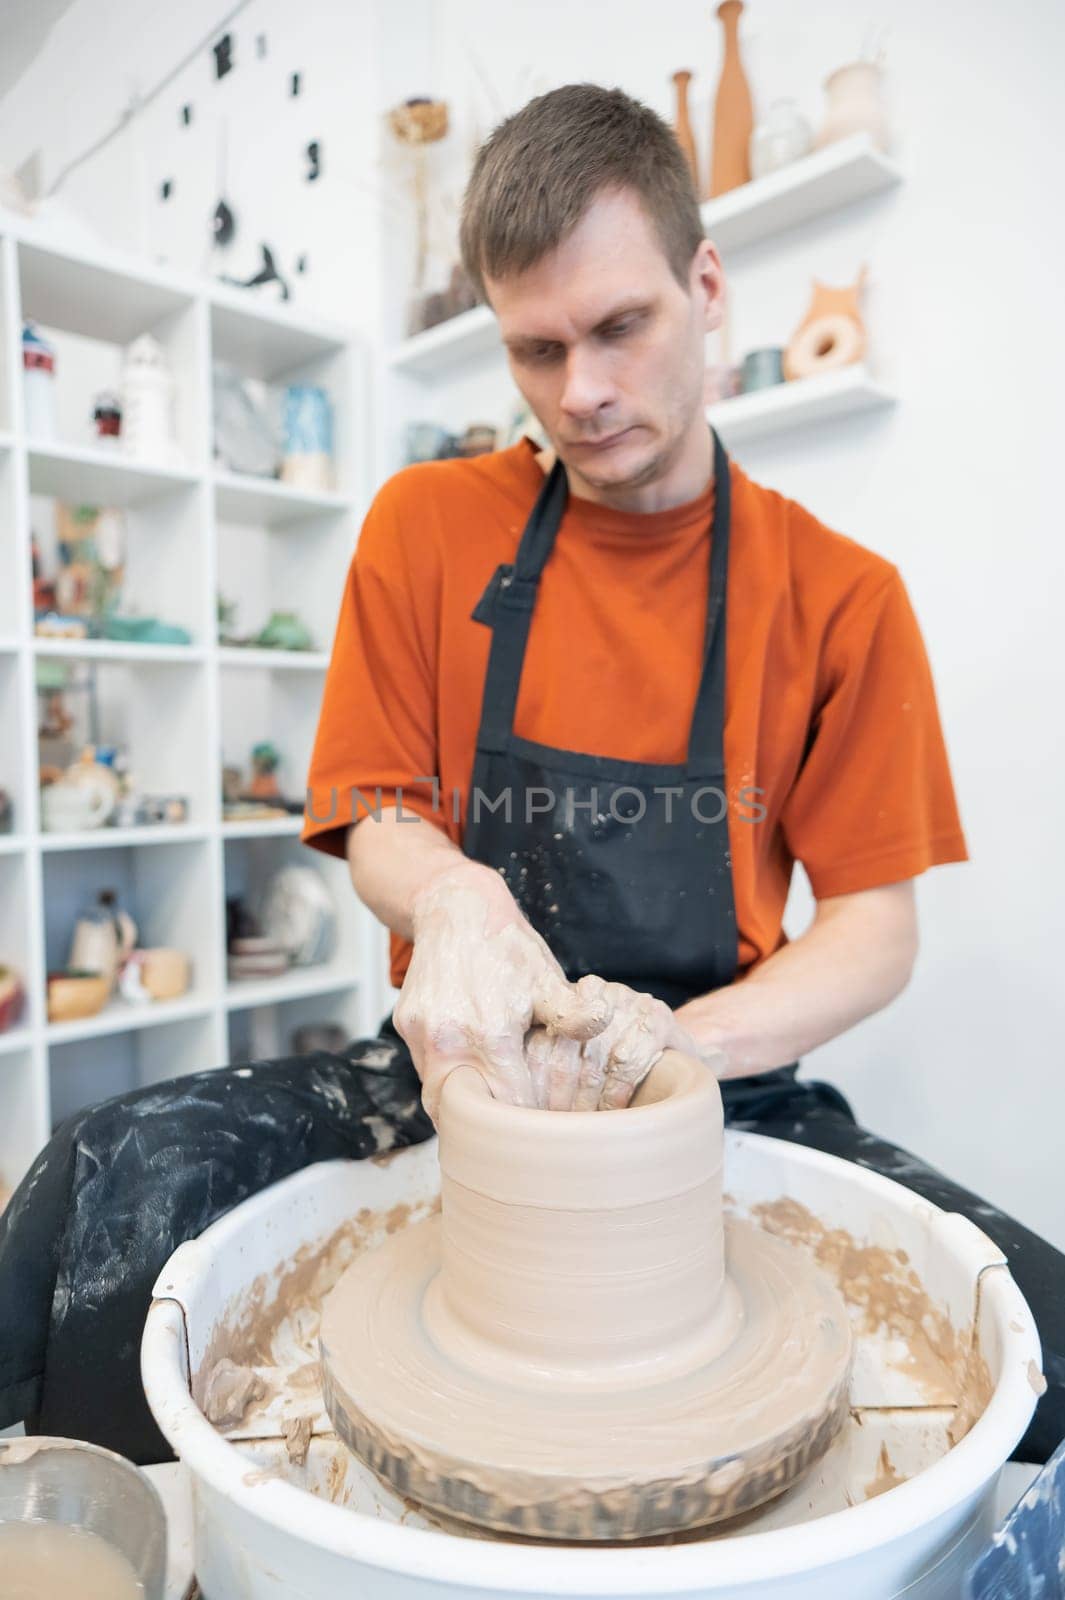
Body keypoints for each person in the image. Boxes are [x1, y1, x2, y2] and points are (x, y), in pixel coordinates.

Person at [0, 84, 1059, 1468]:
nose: (583, 391)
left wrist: (690, 1044)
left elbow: (873, 925)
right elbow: (378, 816)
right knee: (100, 1187)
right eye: (536, 349)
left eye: (621, 326)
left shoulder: (839, 597)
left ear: (706, 283)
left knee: (1038, 1329)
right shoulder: (430, 528)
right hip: (445, 1070)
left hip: (720, 1079)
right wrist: (452, 901)